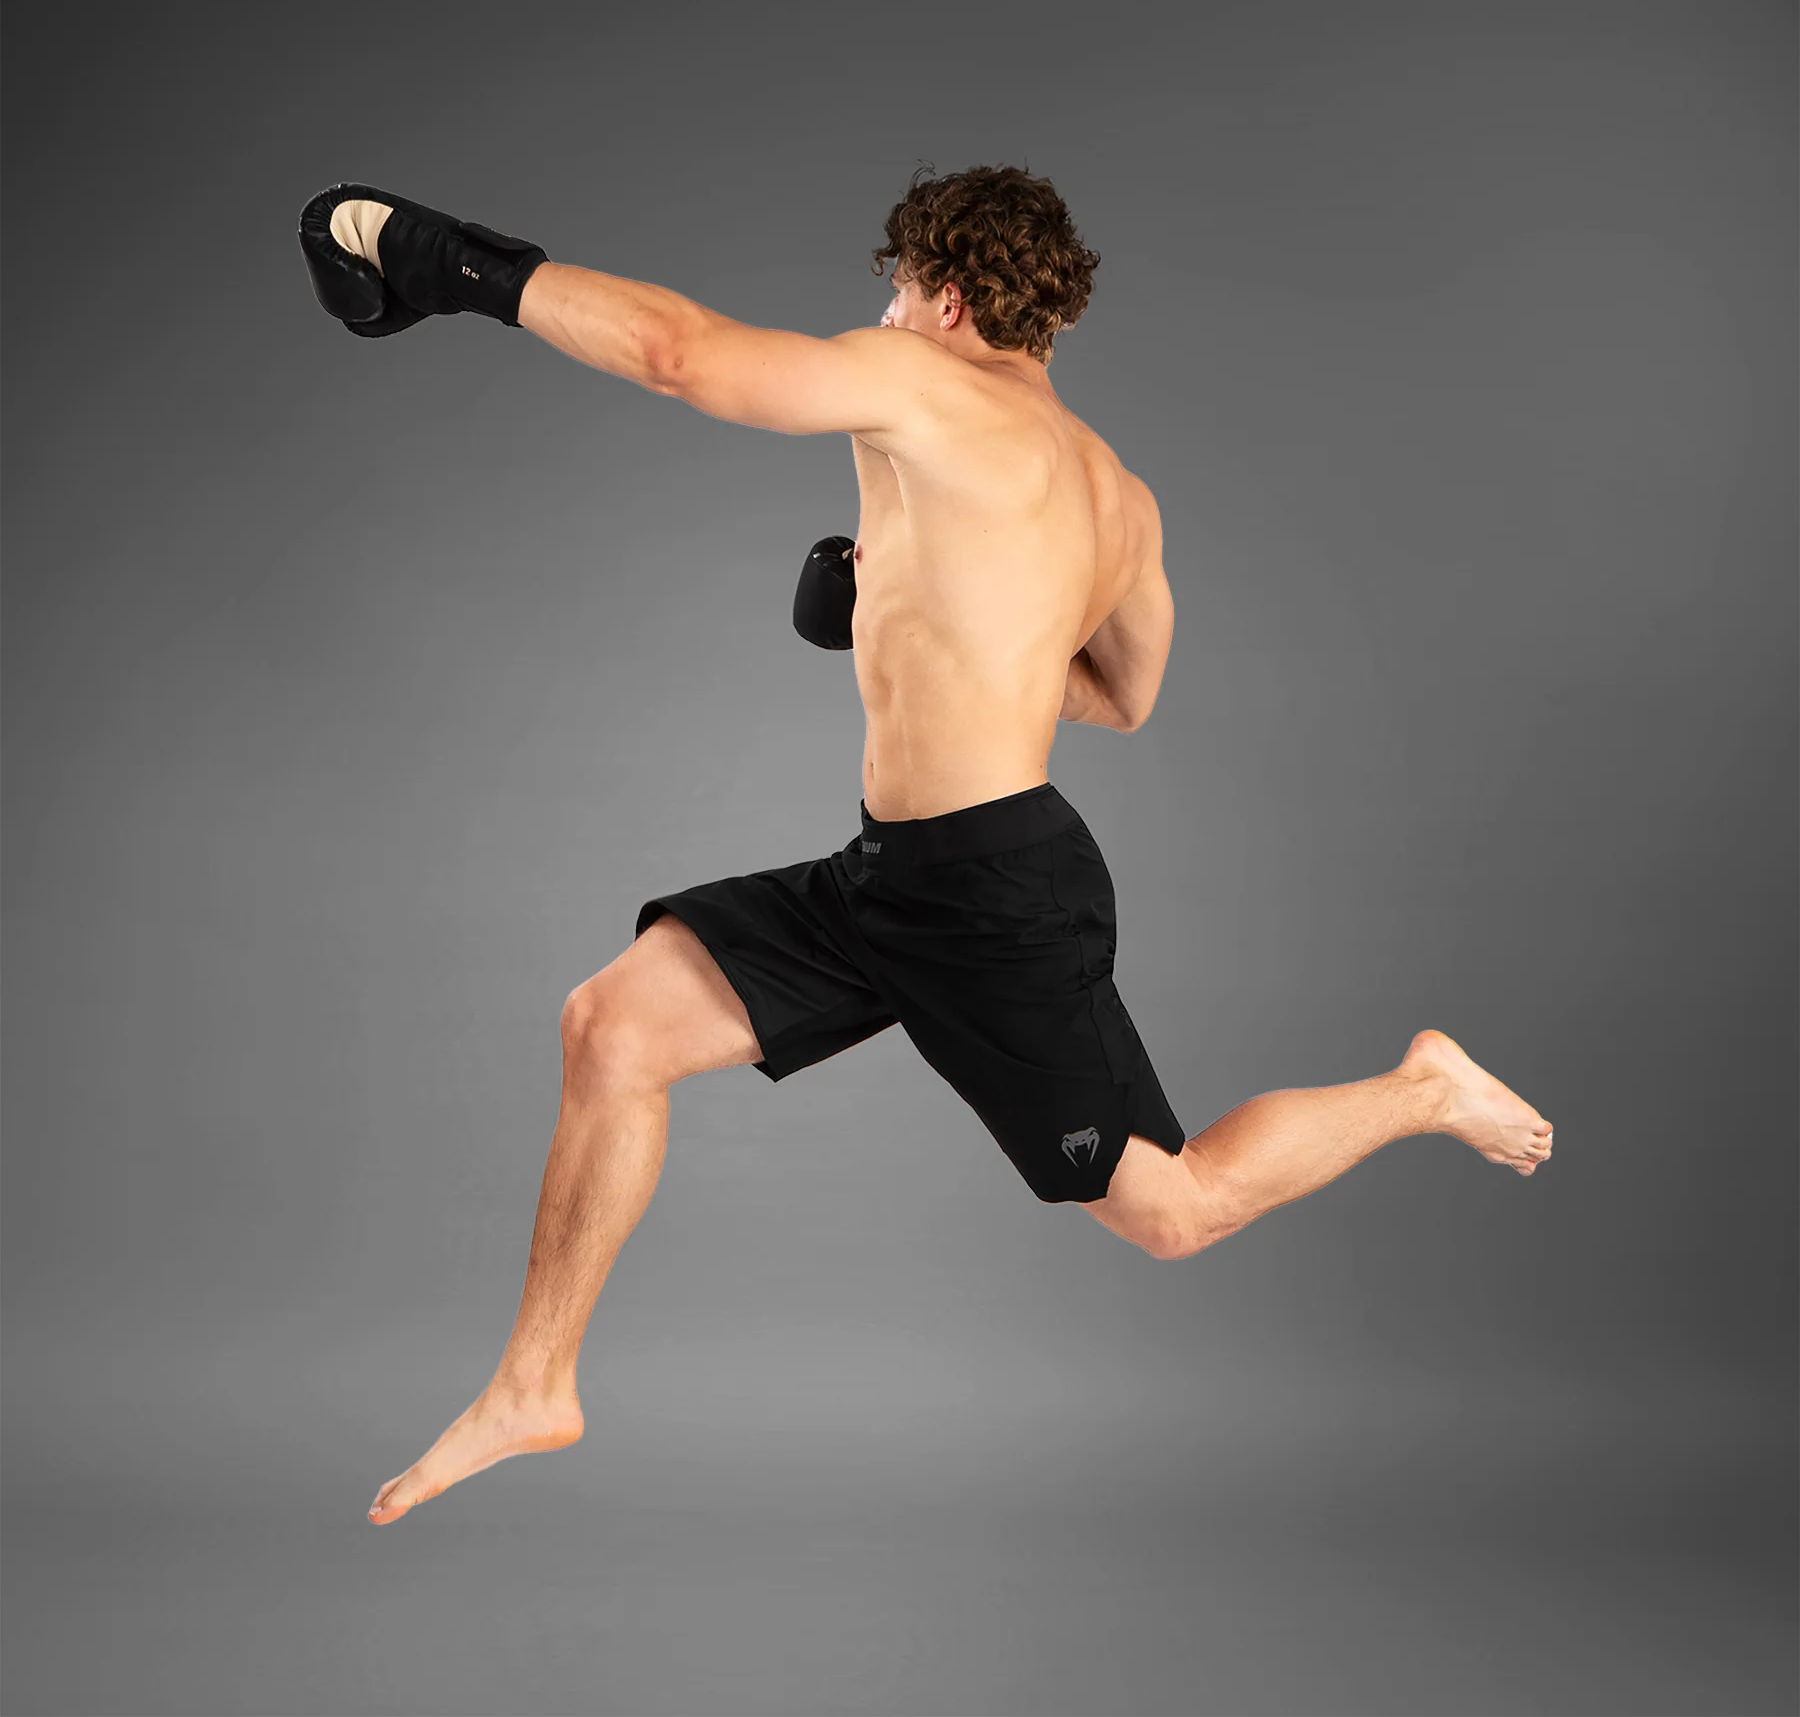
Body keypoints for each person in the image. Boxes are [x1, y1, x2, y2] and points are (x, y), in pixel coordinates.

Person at [298, 164, 1553, 1528]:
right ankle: (535, 1384)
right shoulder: (1117, 494)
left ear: (947, 299)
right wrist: (911, 611)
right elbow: (1123, 694)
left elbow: (679, 354)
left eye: (893, 294)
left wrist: (454, 264)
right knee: (612, 1028)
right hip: (894, 877)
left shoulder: (918, 383)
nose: (880, 319)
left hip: (994, 893)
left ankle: (1424, 1089)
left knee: (1176, 1210)